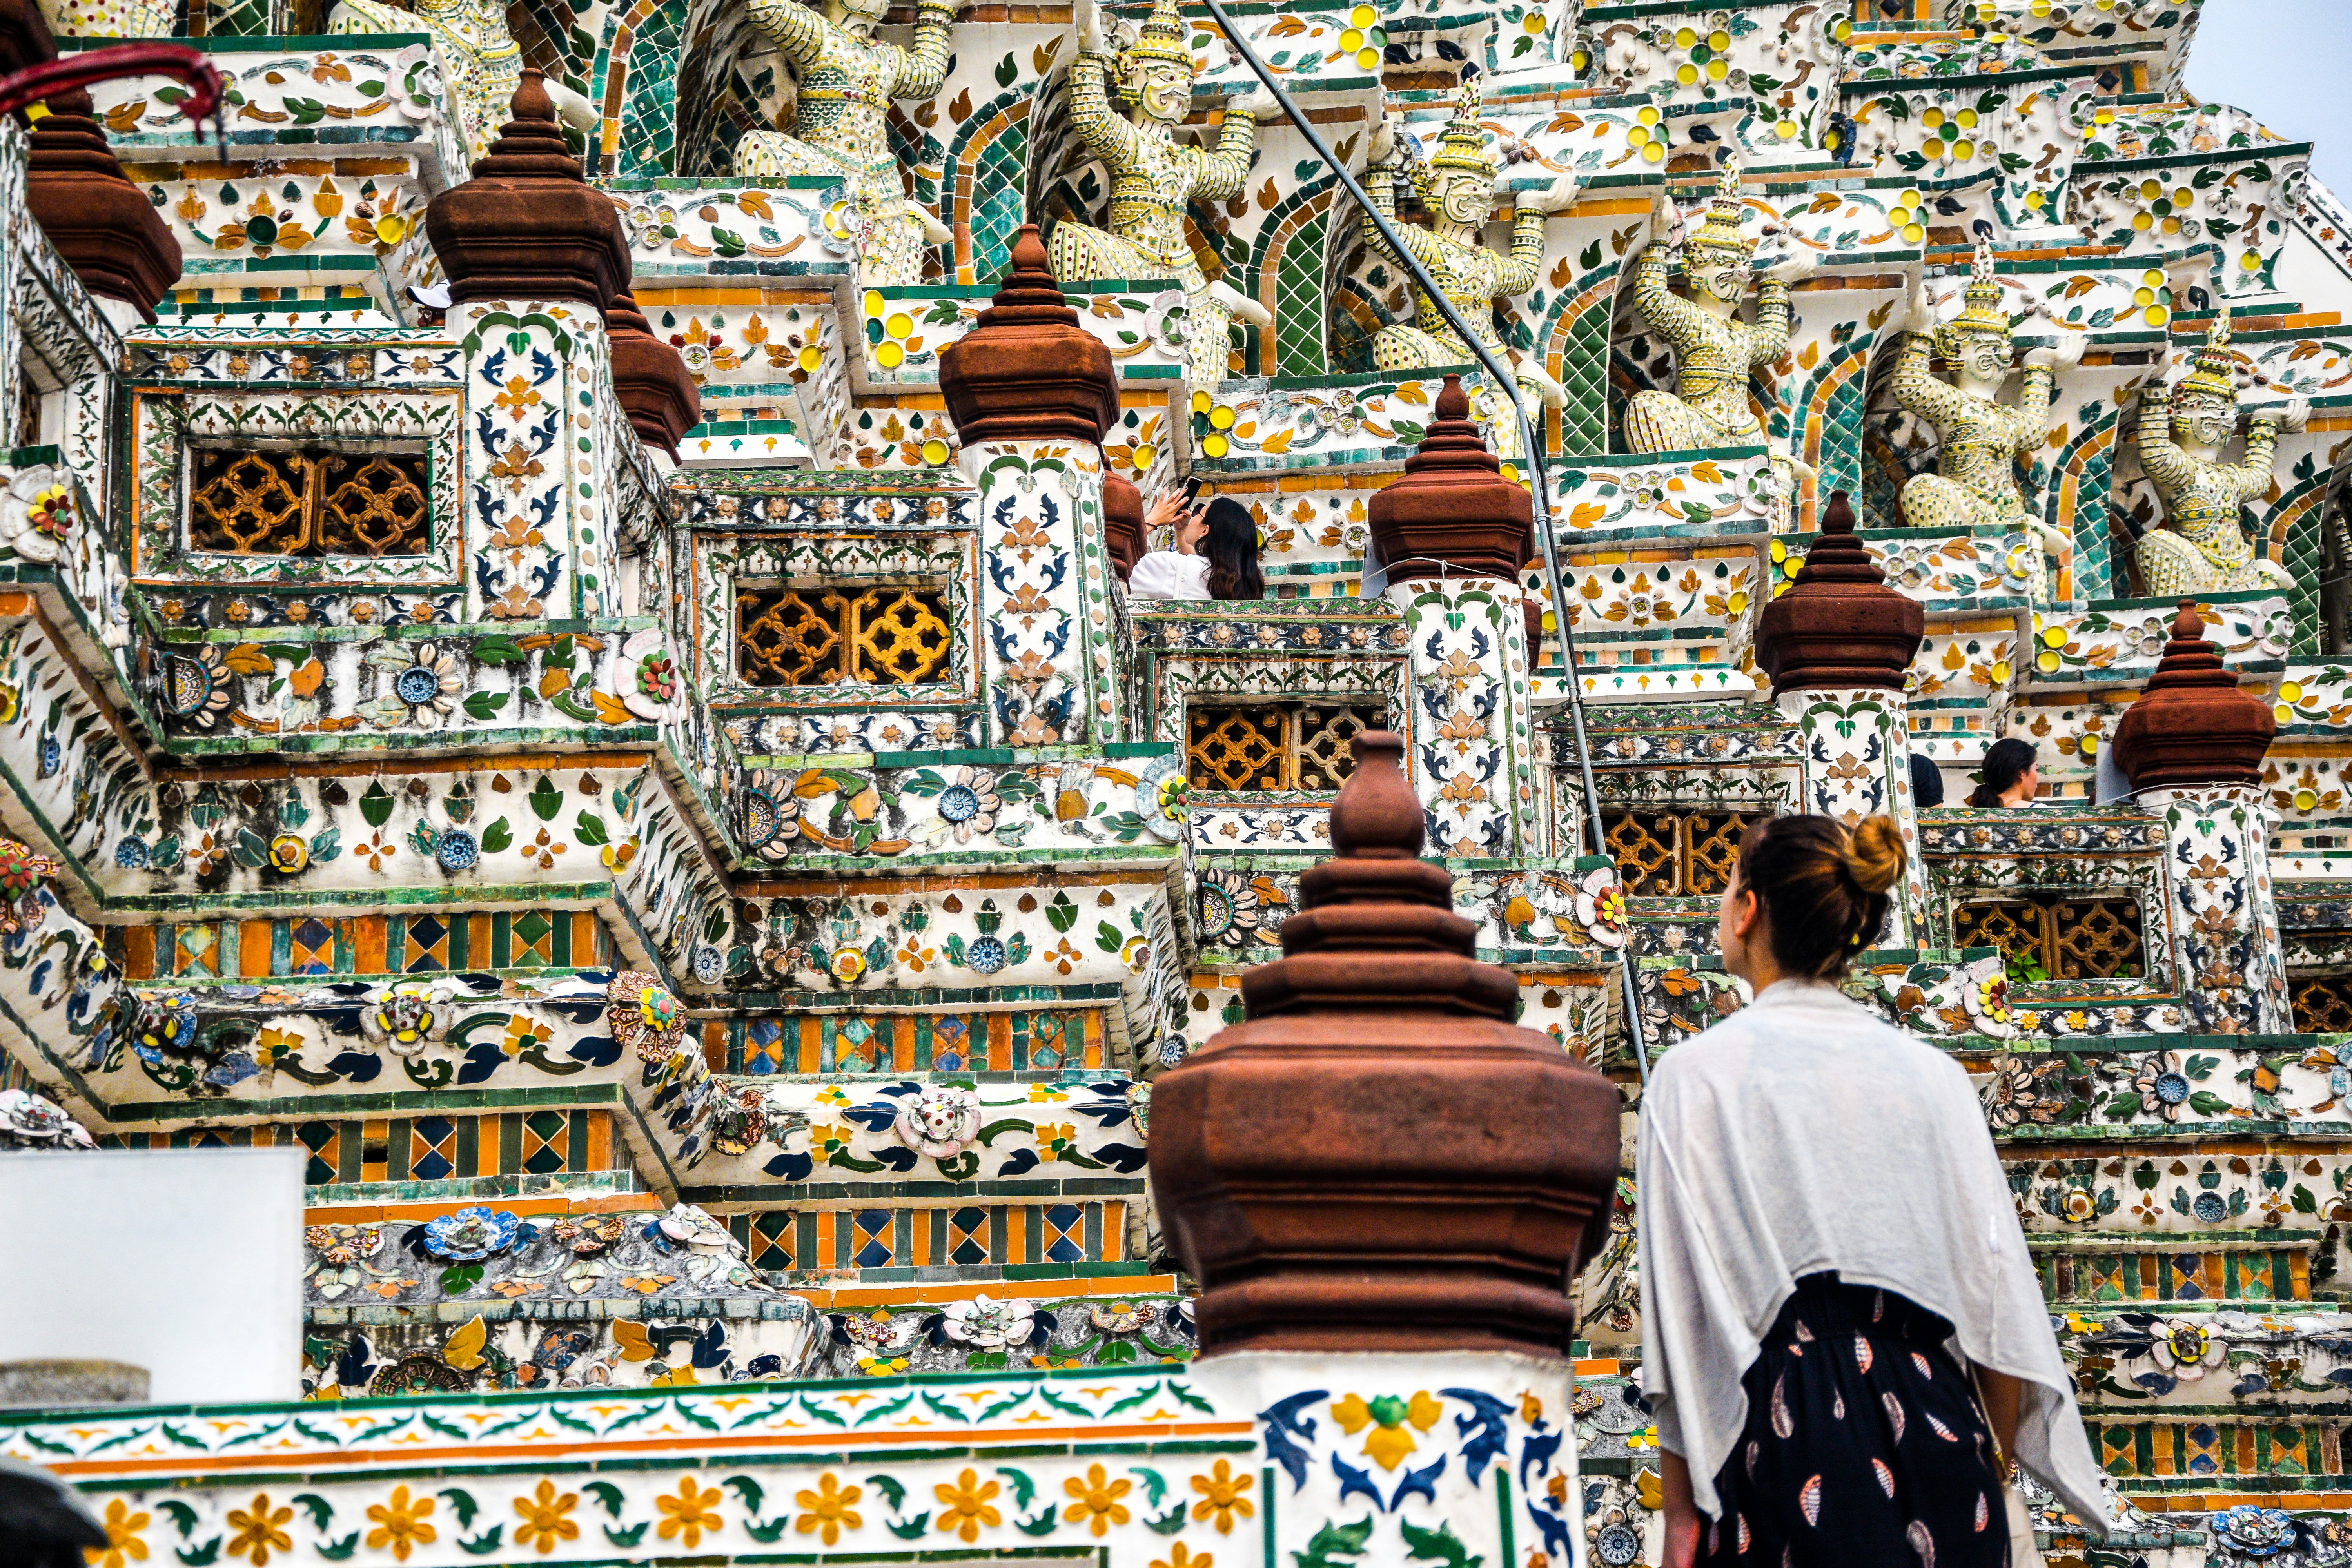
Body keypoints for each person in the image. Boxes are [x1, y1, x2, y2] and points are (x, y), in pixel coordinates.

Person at [1639, 813, 2107, 1568]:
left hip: (1779, 1434)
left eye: (1727, 887)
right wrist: (1994, 1461)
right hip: (1937, 1417)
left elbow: (1682, 1321)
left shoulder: (1694, 1078)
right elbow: (1992, 1294)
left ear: (1749, 909)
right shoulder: (1935, 1077)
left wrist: (1682, 1520)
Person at [1127, 492, 1263, 601]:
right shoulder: (1235, 582)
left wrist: (1152, 521)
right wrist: (1181, 531)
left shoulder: (1171, 566)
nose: (1193, 515)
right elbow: (1194, 567)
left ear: (1205, 530)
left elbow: (1118, 564)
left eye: (1198, 512)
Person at [1968, 737, 2039, 808]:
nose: (2038, 777)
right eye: (2037, 769)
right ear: (2021, 774)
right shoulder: (2038, 811)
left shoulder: (1979, 812)